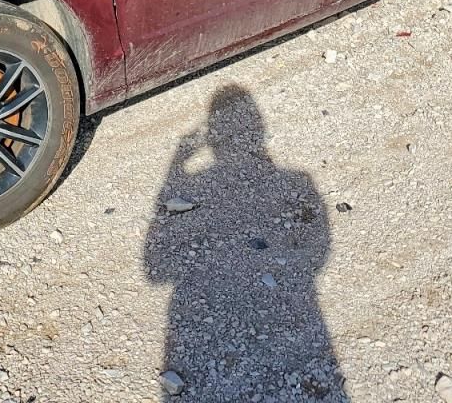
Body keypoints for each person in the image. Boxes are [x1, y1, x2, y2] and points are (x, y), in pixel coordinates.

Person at [144, 84, 345, 401]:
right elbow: (319, 254)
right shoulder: (298, 181)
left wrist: (177, 167)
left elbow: (154, 269)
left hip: (200, 323)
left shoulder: (291, 181)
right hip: (301, 313)